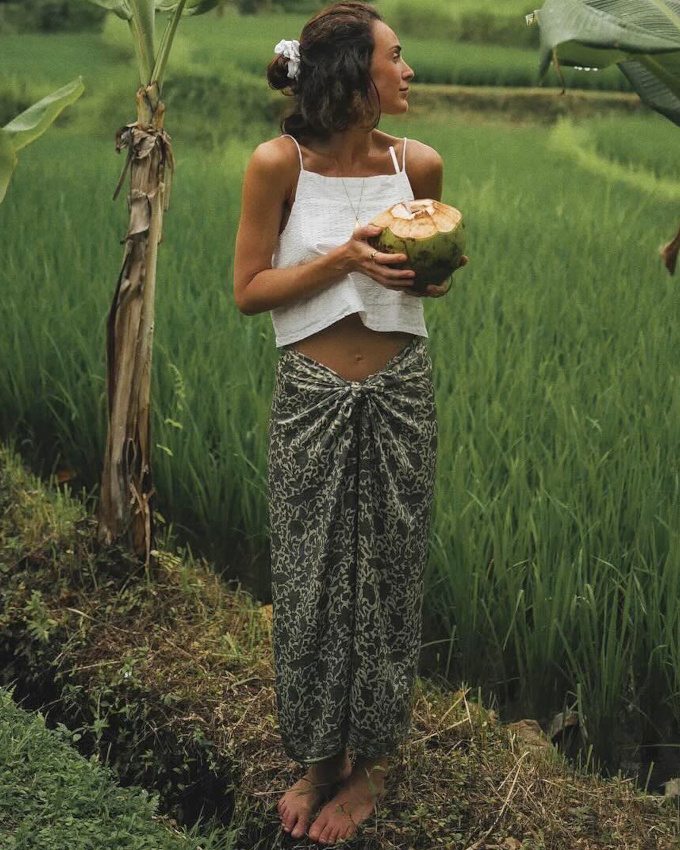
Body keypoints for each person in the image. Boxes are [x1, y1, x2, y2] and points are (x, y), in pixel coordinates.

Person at [233, 1, 468, 844]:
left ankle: (365, 768)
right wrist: (340, 258)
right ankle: (316, 759)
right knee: (308, 575)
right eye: (395, 57)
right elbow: (249, 289)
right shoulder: (277, 164)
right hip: (311, 395)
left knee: (388, 576)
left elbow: (425, 280)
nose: (409, 71)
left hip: (403, 389)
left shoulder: (420, 164)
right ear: (350, 74)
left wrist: (428, 278)